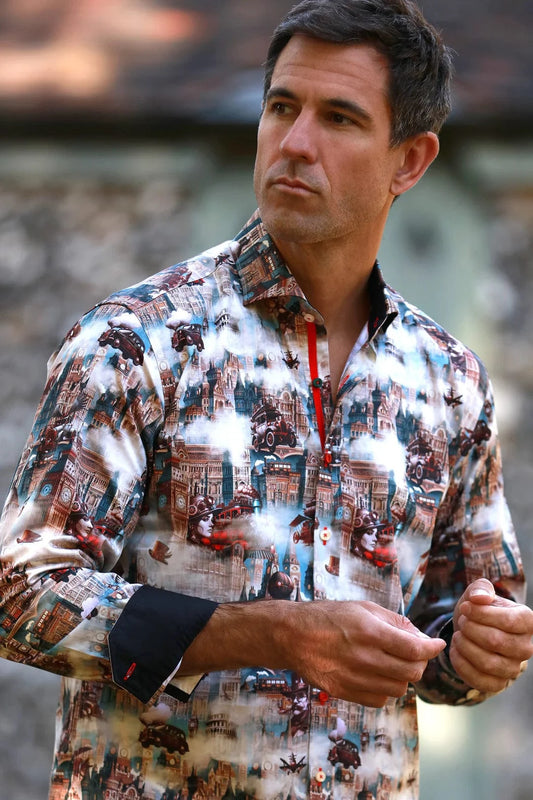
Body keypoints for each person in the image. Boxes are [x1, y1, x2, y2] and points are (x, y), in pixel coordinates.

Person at [0, 1, 532, 798]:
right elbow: (19, 593)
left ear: (410, 160)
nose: (294, 143)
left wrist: (477, 650)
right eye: (282, 106)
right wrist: (271, 635)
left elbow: (457, 627)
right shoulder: (136, 340)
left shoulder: (449, 380)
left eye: (340, 118)